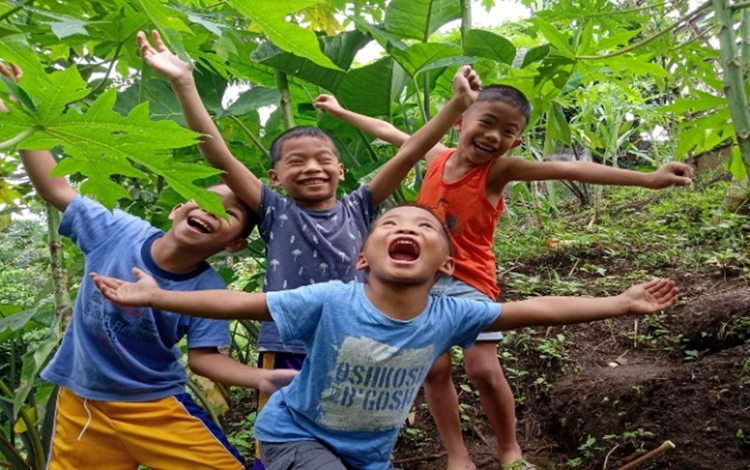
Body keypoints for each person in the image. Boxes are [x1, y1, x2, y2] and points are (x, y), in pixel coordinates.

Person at [91, 204, 679, 470]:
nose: (405, 228)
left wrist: (618, 303)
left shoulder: (449, 315)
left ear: (445, 267)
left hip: (369, 451)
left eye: (422, 225)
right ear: (360, 259)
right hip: (294, 432)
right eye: (389, 225)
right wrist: (155, 294)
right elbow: (241, 303)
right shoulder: (331, 299)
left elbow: (537, 309)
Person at [137, 29, 482, 468]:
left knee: (350, 429)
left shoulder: (361, 207)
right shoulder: (275, 211)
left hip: (354, 342)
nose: (312, 168)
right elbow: (220, 156)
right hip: (287, 342)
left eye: (322, 159)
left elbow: (408, 154)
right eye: (295, 162)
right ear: (275, 177)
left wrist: (456, 105)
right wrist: (184, 83)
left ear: (340, 169)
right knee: (282, 442)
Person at [313, 90, 694, 469]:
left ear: (516, 142)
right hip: (423, 281)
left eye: (507, 131)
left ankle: (509, 448)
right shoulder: (434, 156)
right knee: (434, 368)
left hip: (470, 280)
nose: (494, 136)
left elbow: (568, 169)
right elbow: (388, 130)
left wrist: (647, 178)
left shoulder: (498, 171)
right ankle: (458, 455)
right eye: (487, 122)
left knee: (481, 367)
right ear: (461, 121)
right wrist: (341, 109)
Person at [0, 62, 297, 470]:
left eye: (228, 214)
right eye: (206, 201)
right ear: (178, 208)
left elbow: (204, 359)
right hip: (82, 404)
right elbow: (54, 187)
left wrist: (260, 378)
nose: (212, 212)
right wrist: (20, 108)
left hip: (155, 407)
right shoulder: (115, 231)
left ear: (234, 244)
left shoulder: (207, 289)